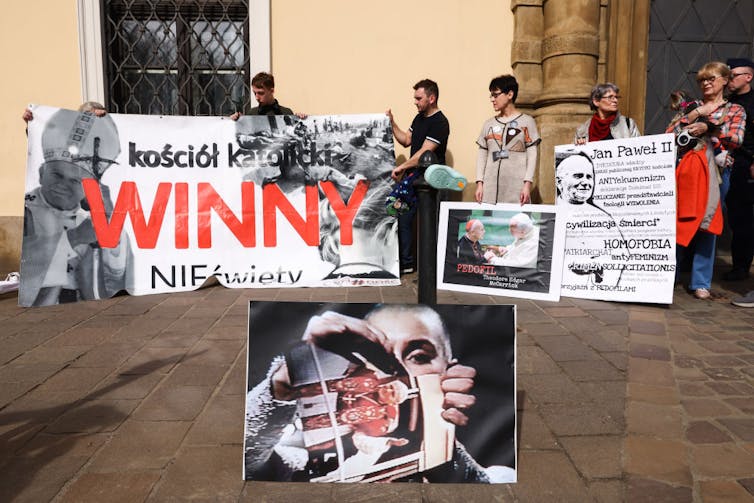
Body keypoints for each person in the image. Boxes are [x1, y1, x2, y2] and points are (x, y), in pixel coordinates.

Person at [244, 304, 514, 483]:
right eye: (374, 356)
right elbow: (244, 461)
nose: (394, 371)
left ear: (450, 372)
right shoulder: (304, 465)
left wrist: (440, 449)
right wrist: (284, 380)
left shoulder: (498, 477)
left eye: (418, 356)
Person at [19, 108, 129, 306]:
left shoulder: (89, 216)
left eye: (75, 181)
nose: (64, 185)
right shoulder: (28, 209)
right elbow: (30, 264)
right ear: (42, 172)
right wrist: (75, 237)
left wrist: (111, 226)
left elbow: (118, 274)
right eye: (57, 175)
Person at [666, 61, 745, 299]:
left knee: (708, 224)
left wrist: (709, 127)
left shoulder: (734, 110)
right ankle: (670, 275)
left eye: (711, 78)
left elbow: (736, 139)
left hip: (717, 173)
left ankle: (700, 281)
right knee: (679, 220)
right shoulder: (692, 107)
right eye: (702, 80)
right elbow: (669, 135)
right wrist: (692, 116)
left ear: (724, 80)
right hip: (687, 169)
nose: (706, 83)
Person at [387, 79, 450, 274]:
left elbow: (425, 152)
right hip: (414, 180)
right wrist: (392, 122)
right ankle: (407, 263)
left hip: (432, 182)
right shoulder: (419, 118)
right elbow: (406, 140)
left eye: (418, 98)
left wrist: (402, 167)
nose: (415, 102)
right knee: (404, 219)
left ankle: (432, 269)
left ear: (432, 98)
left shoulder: (440, 122)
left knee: (430, 224)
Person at [555, 151, 626, 288]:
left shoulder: (603, 217)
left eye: (589, 177)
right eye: (578, 176)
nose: (585, 182)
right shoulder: (552, 213)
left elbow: (620, 255)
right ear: (559, 182)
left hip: (594, 287)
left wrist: (597, 267)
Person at [475, 75, 540, 205]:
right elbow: (482, 155)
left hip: (516, 190)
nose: (492, 99)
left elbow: (532, 155)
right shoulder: (488, 124)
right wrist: (479, 183)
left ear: (510, 94)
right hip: (489, 190)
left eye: (496, 95)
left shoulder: (527, 122)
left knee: (516, 224)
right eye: (491, 95)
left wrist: (527, 185)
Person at [722, 58, 754, 281]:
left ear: (748, 77)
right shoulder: (727, 101)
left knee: (744, 217)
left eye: (733, 75)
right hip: (728, 162)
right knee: (733, 215)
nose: (729, 80)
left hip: (747, 163)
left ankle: (742, 267)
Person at [574, 83, 641, 144]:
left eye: (616, 97)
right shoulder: (582, 130)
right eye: (610, 97)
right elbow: (574, 155)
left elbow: (638, 149)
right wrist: (579, 146)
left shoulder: (628, 124)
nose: (615, 100)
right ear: (596, 101)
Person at [229, 72, 303, 119]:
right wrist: (234, 122)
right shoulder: (252, 113)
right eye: (255, 93)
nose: (257, 97)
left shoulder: (286, 112)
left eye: (261, 93)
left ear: (272, 91)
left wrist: (302, 120)